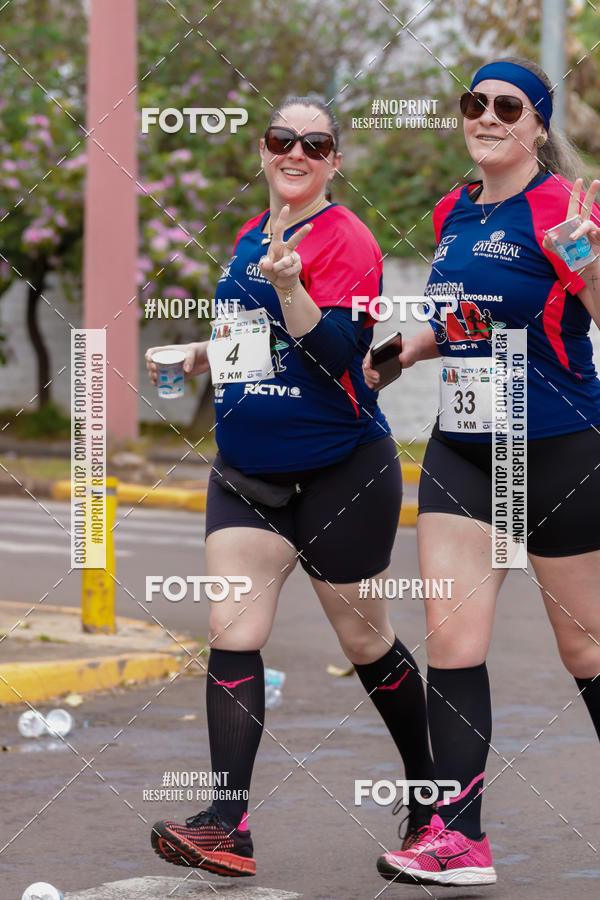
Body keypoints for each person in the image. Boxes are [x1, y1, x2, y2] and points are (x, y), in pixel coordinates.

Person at [146, 95, 435, 878]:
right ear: (265, 150)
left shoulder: (349, 239)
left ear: (336, 159)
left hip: (341, 468)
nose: (296, 152)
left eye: (315, 143)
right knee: (233, 630)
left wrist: (294, 286)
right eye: (283, 140)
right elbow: (251, 344)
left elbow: (342, 354)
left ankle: (434, 797)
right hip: (246, 470)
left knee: (364, 640)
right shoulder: (249, 237)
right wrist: (201, 358)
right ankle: (226, 824)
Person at [363, 58, 600, 886]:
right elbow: (454, 319)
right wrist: (396, 353)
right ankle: (457, 838)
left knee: (586, 649)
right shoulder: (454, 211)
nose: (488, 116)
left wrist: (591, 259)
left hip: (558, 447)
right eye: (475, 103)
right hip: (464, 446)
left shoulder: (569, 207)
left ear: (538, 125)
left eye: (509, 106)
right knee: (453, 642)